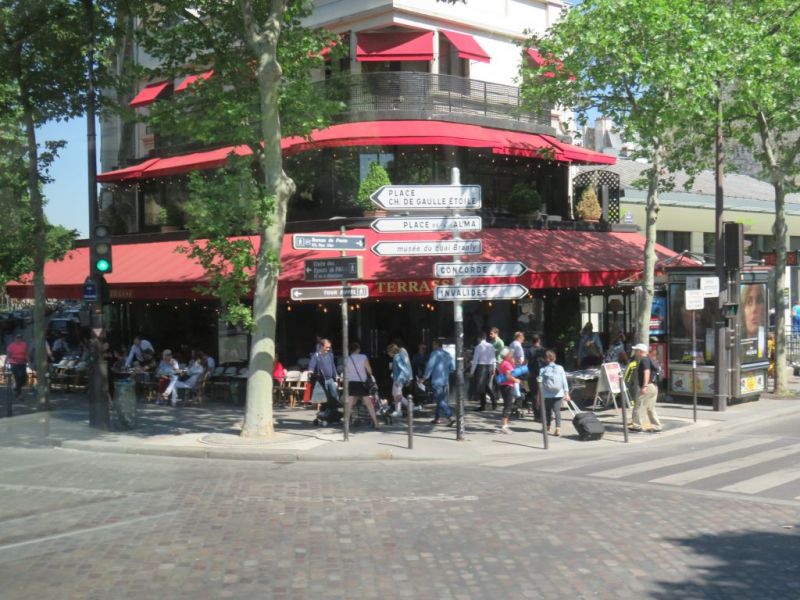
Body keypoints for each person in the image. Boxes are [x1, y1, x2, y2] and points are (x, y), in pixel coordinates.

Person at [344, 341, 380, 429]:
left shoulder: (347, 358)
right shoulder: (363, 357)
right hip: (362, 383)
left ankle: (346, 424)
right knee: (369, 404)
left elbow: (346, 373)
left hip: (351, 382)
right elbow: (369, 370)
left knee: (349, 404)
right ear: (358, 349)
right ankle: (376, 423)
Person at [629, 343, 662, 432]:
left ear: (640, 351)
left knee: (638, 405)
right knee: (650, 407)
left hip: (648, 386)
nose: (635, 352)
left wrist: (644, 386)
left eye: (636, 350)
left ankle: (636, 426)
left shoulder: (644, 360)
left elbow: (646, 372)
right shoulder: (650, 359)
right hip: (654, 386)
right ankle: (657, 426)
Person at [424, 338, 456, 426]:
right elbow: (453, 368)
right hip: (445, 380)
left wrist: (425, 377)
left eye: (433, 344)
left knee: (440, 400)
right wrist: (446, 372)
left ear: (436, 345)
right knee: (440, 399)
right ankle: (437, 418)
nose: (432, 346)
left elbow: (430, 366)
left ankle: (450, 416)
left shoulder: (434, 353)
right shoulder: (447, 354)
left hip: (436, 380)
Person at [308, 338, 341, 421]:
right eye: (327, 347)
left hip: (331, 379)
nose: (328, 349)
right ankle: (325, 415)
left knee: (334, 397)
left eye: (329, 347)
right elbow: (311, 366)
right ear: (321, 346)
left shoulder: (330, 355)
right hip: (322, 380)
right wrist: (311, 371)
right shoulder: (316, 356)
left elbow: (333, 366)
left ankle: (334, 415)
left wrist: (336, 377)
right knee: (325, 398)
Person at [540, 350, 570, 436]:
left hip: (547, 394)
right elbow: (564, 381)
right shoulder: (560, 368)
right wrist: (566, 393)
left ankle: (548, 426)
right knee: (557, 411)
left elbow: (540, 383)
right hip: (558, 393)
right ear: (554, 358)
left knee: (548, 410)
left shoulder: (542, 370)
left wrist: (540, 395)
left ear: (546, 359)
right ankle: (558, 428)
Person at [469, 332, 497, 411]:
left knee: (481, 387)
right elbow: (494, 358)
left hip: (481, 367)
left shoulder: (478, 347)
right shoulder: (491, 346)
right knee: (485, 386)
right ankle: (492, 401)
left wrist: (472, 372)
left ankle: (484, 405)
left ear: (479, 338)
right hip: (489, 366)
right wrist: (494, 368)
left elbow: (475, 360)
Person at [496, 347, 519, 434]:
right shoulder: (506, 364)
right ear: (507, 355)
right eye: (511, 353)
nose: (512, 355)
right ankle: (504, 426)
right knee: (508, 406)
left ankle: (505, 425)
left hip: (503, 386)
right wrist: (516, 380)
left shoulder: (503, 363)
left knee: (507, 405)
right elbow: (508, 376)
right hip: (508, 386)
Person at [387, 343, 413, 417]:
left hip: (398, 379)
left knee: (397, 395)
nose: (388, 353)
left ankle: (403, 408)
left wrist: (400, 379)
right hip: (397, 378)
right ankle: (406, 406)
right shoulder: (397, 356)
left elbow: (403, 369)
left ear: (391, 351)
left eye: (388, 351)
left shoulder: (396, 357)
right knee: (395, 394)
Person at [524, 334, 547, 417]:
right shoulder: (543, 350)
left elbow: (525, 362)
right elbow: (546, 361)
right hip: (542, 373)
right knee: (542, 393)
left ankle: (536, 414)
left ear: (532, 341)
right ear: (539, 340)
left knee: (534, 393)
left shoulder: (528, 350)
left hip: (532, 373)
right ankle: (543, 412)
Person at [6, 334, 30, 401]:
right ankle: (19, 395)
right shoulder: (11, 346)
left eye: (20, 338)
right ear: (14, 339)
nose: (18, 339)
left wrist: (29, 362)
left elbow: (26, 354)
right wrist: (6, 363)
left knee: (24, 377)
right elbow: (8, 356)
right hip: (14, 363)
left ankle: (16, 388)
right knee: (18, 378)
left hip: (22, 362)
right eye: (17, 338)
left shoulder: (24, 344)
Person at [509, 331, 526, 402]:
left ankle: (515, 396)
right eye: (523, 337)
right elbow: (520, 358)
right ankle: (518, 396)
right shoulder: (518, 346)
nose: (523, 339)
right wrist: (524, 365)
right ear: (519, 337)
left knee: (513, 380)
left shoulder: (511, 344)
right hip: (518, 366)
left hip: (511, 365)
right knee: (517, 381)